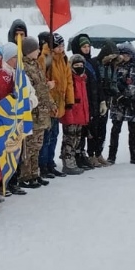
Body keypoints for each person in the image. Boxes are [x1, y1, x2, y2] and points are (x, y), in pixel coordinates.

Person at [17, 37, 52, 189]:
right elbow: (33, 89)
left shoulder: (36, 65)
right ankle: (26, 175)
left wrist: (51, 102)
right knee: (29, 146)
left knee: (37, 145)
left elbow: (42, 87)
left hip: (43, 111)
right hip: (33, 111)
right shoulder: (24, 67)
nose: (38, 51)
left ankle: (34, 173)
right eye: (36, 49)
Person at [107, 43, 135, 165]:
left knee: (134, 131)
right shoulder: (114, 67)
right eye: (122, 54)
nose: (125, 57)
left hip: (133, 105)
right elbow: (111, 84)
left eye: (127, 54)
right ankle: (111, 156)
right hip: (118, 104)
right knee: (115, 130)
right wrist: (119, 96)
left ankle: (134, 156)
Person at [38, 32, 73, 178]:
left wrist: (69, 100)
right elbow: (41, 77)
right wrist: (48, 85)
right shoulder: (45, 57)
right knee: (46, 136)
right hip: (49, 103)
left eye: (63, 46)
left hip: (59, 102)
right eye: (58, 46)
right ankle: (43, 164)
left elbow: (68, 80)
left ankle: (50, 162)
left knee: (54, 135)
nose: (61, 48)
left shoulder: (64, 59)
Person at [70, 34, 102, 169]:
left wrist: (101, 100)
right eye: (84, 46)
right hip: (81, 101)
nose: (87, 49)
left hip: (91, 101)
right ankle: (77, 155)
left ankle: (86, 154)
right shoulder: (75, 64)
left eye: (88, 46)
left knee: (91, 129)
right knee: (80, 132)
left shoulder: (92, 62)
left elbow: (97, 82)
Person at [59, 55, 90, 175]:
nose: (79, 68)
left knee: (77, 138)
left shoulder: (83, 79)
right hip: (71, 113)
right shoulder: (70, 79)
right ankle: (67, 161)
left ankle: (73, 159)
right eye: (76, 66)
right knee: (69, 139)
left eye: (81, 66)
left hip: (80, 114)